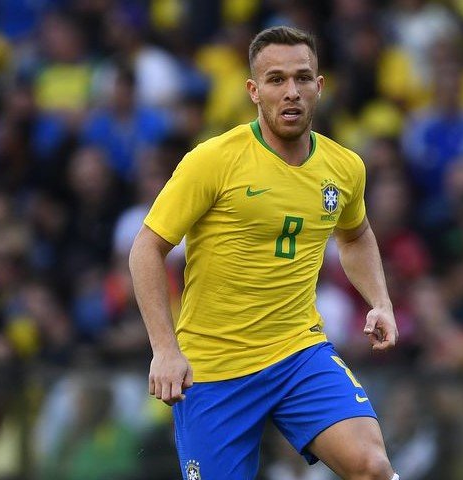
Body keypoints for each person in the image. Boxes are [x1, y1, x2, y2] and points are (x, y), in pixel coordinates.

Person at [129, 26, 399, 480]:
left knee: (372, 467)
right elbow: (146, 249)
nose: (291, 91)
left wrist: (381, 302)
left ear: (319, 86)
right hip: (215, 368)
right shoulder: (213, 160)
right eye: (276, 80)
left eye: (302, 78)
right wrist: (164, 349)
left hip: (299, 353)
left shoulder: (345, 167)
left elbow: (355, 236)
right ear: (254, 91)